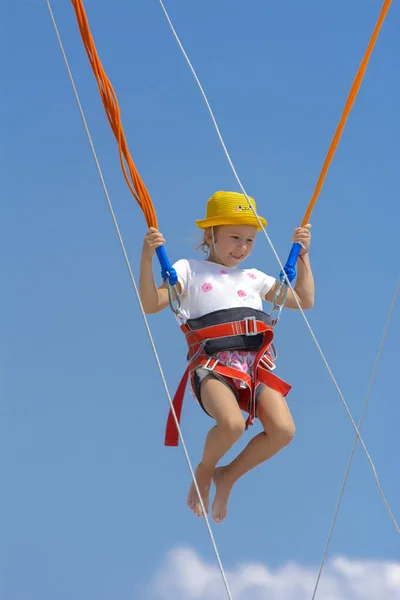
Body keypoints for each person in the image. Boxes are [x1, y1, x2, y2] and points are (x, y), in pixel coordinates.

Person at [139, 191, 314, 523]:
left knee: (283, 431)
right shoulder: (188, 270)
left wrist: (303, 257)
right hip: (213, 368)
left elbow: (304, 300)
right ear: (211, 234)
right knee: (232, 424)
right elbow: (151, 304)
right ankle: (205, 470)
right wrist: (147, 258)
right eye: (234, 237)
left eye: (249, 240)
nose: (242, 247)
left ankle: (227, 475)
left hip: (253, 370)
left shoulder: (255, 279)